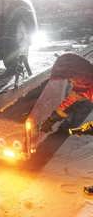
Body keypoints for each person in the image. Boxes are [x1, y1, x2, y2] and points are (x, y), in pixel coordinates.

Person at [40, 53, 93, 195]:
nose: (70, 82)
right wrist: (52, 119)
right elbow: (69, 102)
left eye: (71, 78)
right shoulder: (83, 85)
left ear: (79, 75)